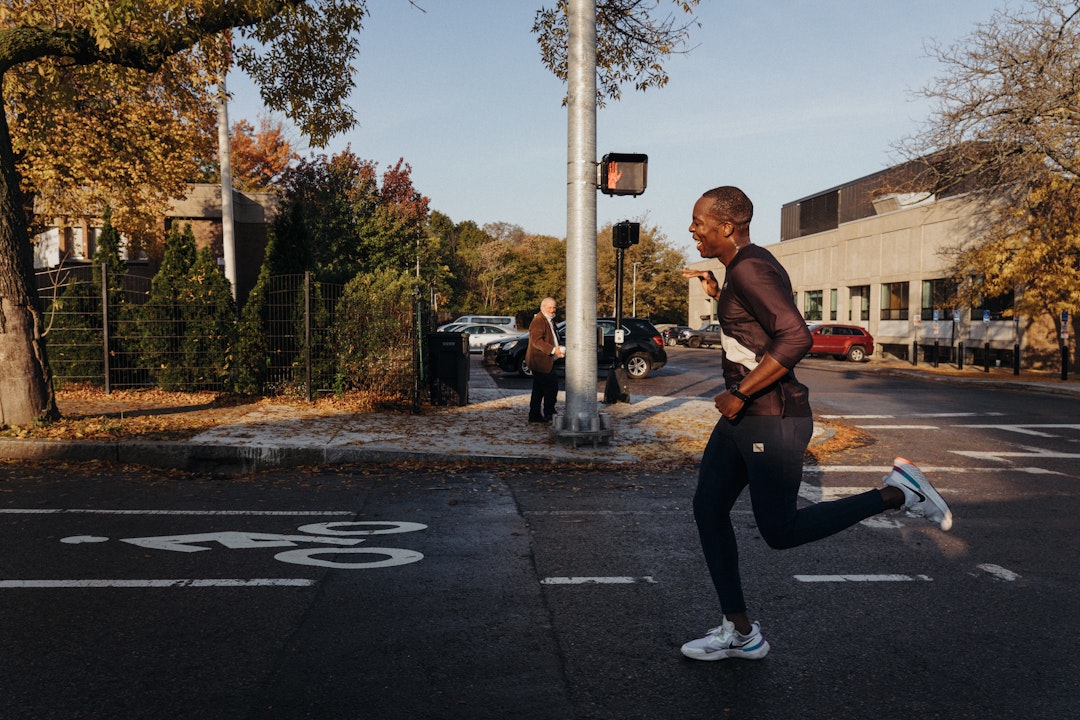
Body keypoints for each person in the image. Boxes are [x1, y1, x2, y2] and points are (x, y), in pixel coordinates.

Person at [679, 186, 953, 662]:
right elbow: (756, 329)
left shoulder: (751, 267)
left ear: (726, 226)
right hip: (745, 418)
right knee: (707, 507)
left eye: (699, 221)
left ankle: (897, 493)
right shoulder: (741, 271)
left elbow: (795, 336)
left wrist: (740, 392)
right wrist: (719, 296)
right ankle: (740, 631)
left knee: (780, 532)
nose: (692, 229)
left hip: (770, 418)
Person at [526, 297, 565, 423]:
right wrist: (553, 350)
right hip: (540, 362)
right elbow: (537, 341)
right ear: (543, 308)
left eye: (554, 307)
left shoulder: (549, 320)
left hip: (545, 361)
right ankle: (549, 413)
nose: (553, 310)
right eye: (550, 307)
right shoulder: (539, 321)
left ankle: (535, 415)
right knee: (551, 388)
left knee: (539, 389)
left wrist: (557, 350)